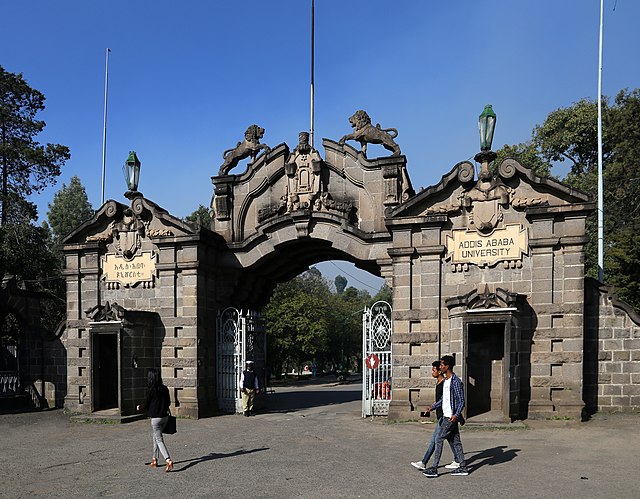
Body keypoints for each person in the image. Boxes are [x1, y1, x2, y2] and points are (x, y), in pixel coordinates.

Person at [423, 355, 470, 477]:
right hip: (446, 415)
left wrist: (456, 415)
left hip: (450, 417)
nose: (441, 366)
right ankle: (463, 467)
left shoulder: (456, 382)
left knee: (439, 439)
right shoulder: (446, 382)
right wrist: (432, 407)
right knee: (456, 441)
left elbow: (461, 401)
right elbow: (444, 399)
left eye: (442, 365)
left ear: (447, 366)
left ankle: (434, 468)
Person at [410, 361, 458, 471]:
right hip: (442, 415)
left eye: (434, 370)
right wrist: (432, 407)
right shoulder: (439, 383)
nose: (432, 372)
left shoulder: (445, 383)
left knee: (435, 440)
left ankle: (424, 462)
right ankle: (458, 459)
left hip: (445, 416)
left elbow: (446, 400)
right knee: (452, 439)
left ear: (440, 371)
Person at [136, 368, 173, 472]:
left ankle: (168, 460)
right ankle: (154, 459)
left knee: (159, 439)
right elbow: (169, 402)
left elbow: (146, 403)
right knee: (155, 437)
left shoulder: (151, 390)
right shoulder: (165, 389)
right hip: (165, 417)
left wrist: (139, 407)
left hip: (155, 419)